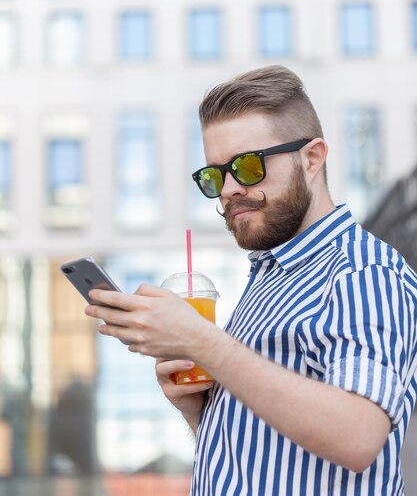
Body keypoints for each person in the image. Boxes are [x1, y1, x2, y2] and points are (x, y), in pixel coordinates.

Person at [85, 65, 417, 495]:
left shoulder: (364, 272)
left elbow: (358, 437)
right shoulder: (269, 277)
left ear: (312, 158)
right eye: (214, 174)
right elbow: (269, 458)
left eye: (246, 165)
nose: (227, 189)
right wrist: (199, 413)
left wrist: (202, 341)